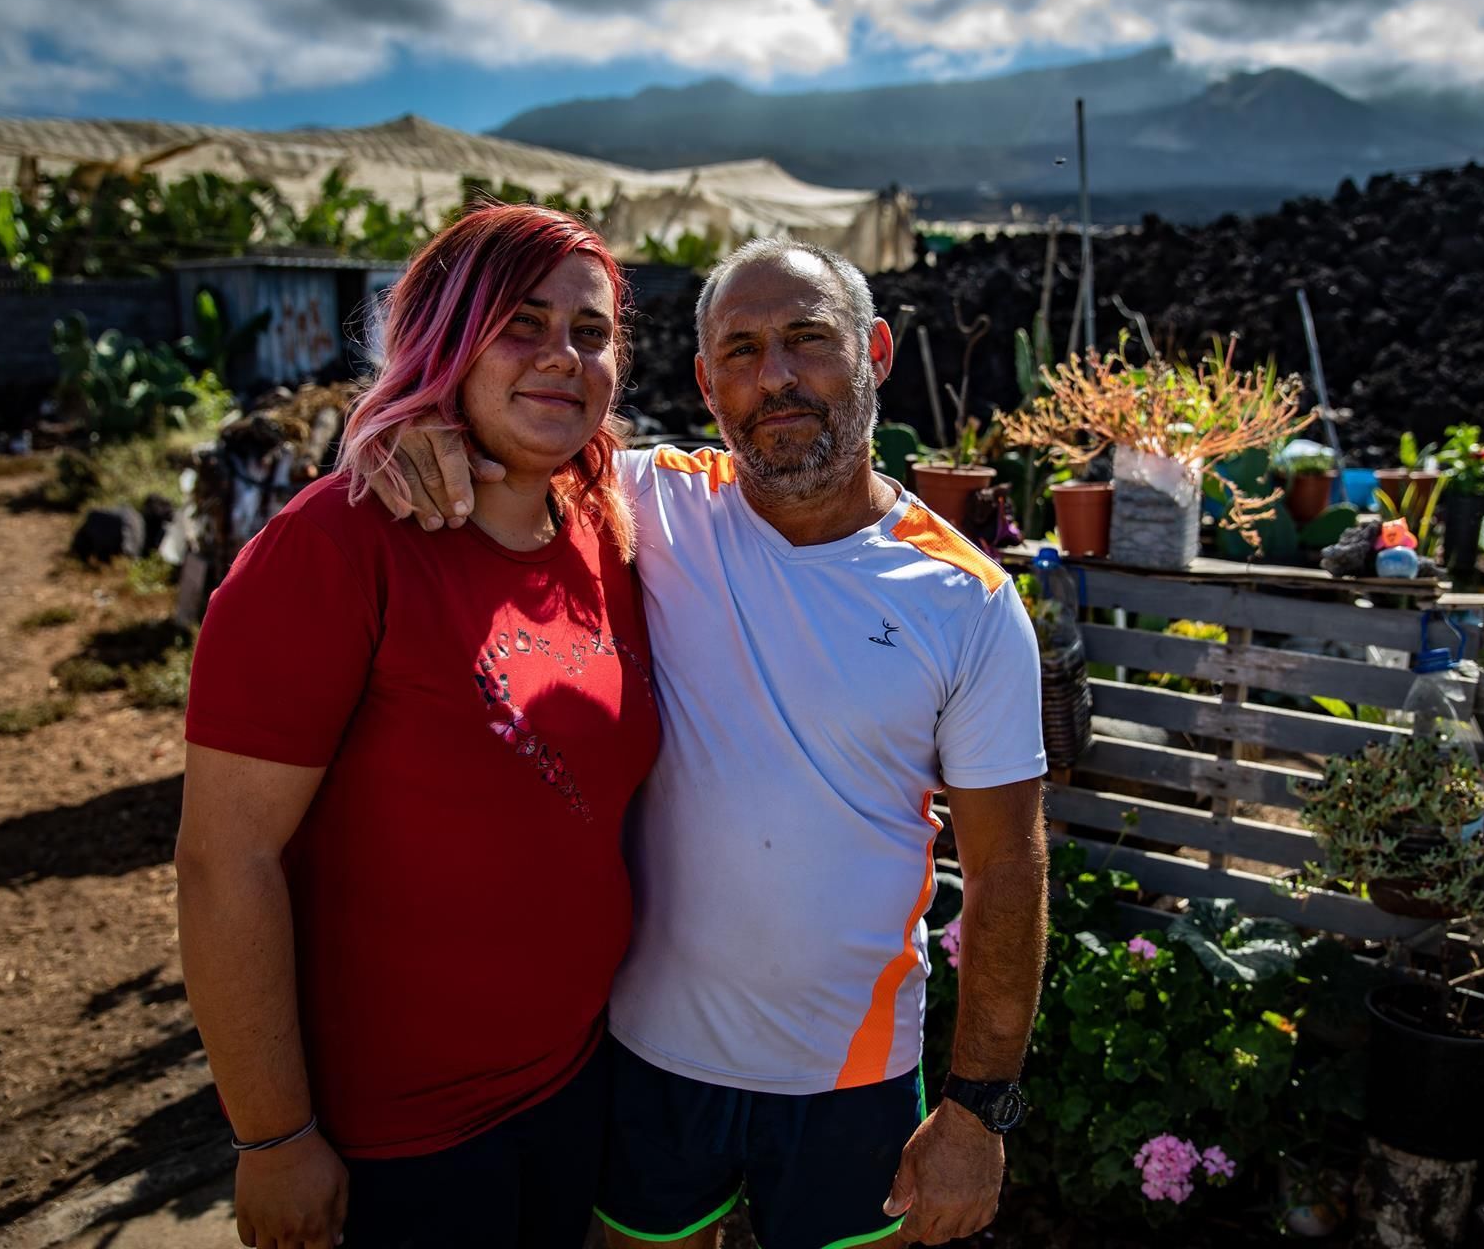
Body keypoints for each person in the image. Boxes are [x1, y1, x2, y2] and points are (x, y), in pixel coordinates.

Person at [380, 237, 1049, 1249]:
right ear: (704, 381)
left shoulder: (969, 601)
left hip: (852, 1078)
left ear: (874, 352)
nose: (776, 375)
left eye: (808, 340)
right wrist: (403, 431)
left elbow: (1006, 868)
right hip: (650, 1061)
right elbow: (497, 434)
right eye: (740, 349)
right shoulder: (644, 503)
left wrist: (978, 1109)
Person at [175, 203, 660, 1249]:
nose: (562, 355)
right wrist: (272, 1134)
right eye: (521, 323)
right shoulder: (339, 544)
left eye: (591, 329)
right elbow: (225, 857)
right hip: (397, 1139)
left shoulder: (607, 526)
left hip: (575, 1080)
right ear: (446, 335)